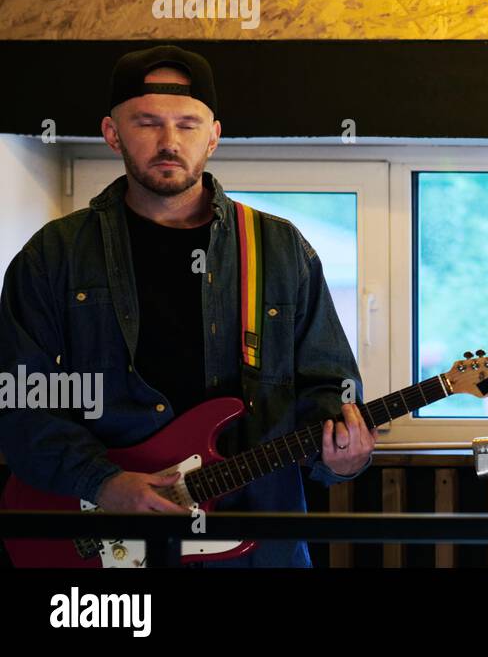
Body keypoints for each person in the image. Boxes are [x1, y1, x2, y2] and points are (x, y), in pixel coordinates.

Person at [0, 45, 372, 567]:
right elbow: (20, 400)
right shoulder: (53, 256)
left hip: (259, 544)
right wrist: (102, 483)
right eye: (147, 122)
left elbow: (328, 392)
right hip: (100, 545)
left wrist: (344, 458)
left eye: (188, 125)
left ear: (214, 136)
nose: (169, 142)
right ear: (112, 133)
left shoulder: (280, 249)